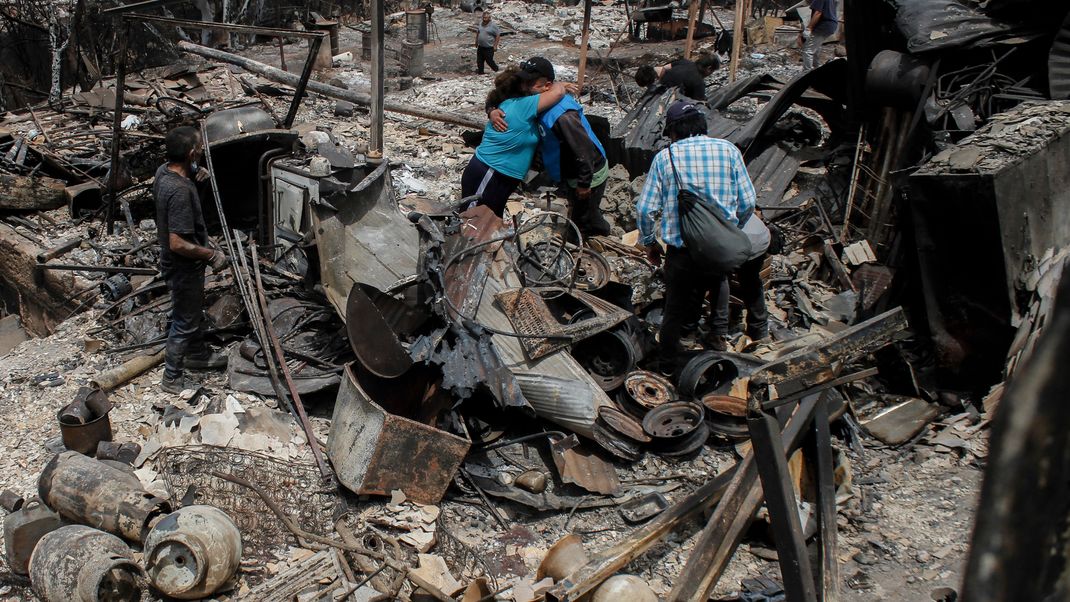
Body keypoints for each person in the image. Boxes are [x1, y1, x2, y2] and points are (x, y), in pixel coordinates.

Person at [635, 101, 755, 362]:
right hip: (720, 247)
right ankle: (717, 340)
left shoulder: (666, 158)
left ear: (673, 131)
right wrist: (730, 231)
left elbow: (645, 210)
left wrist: (649, 242)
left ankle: (668, 360)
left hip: (682, 251)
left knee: (674, 307)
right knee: (718, 282)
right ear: (702, 125)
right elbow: (748, 203)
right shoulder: (729, 151)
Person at [154, 126, 229, 394]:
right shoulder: (180, 192)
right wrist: (211, 255)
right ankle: (171, 376)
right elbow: (177, 243)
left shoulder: (163, 173)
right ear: (190, 153)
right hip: (182, 266)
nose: (201, 152)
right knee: (183, 321)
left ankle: (197, 353)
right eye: (198, 149)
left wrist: (196, 175)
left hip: (178, 265)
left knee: (191, 309)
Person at [488, 89, 611, 236]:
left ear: (546, 85)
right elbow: (497, 96)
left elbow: (583, 150)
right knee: (578, 210)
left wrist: (584, 183)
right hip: (571, 171)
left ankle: (596, 236)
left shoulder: (562, 115)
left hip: (589, 173)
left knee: (584, 217)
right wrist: (492, 111)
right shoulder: (536, 101)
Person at [462, 57, 572, 216]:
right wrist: (558, 84)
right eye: (528, 82)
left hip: (500, 176)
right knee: (472, 220)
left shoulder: (515, 103)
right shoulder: (524, 105)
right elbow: (558, 92)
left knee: (488, 221)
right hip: (490, 173)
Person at [709, 212, 772, 349]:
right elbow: (749, 204)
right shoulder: (734, 192)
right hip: (759, 236)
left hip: (736, 241)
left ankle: (718, 335)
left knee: (719, 280)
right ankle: (760, 331)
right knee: (751, 281)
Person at [634, 55, 720, 100]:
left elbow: (664, 67)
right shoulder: (699, 82)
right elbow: (699, 103)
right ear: (709, 69)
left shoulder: (684, 62)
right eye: (712, 72)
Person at [799, 0, 838, 70]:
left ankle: (807, 73)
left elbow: (818, 13)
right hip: (831, 25)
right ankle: (816, 68)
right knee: (815, 47)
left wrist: (809, 28)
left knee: (808, 51)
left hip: (824, 25)